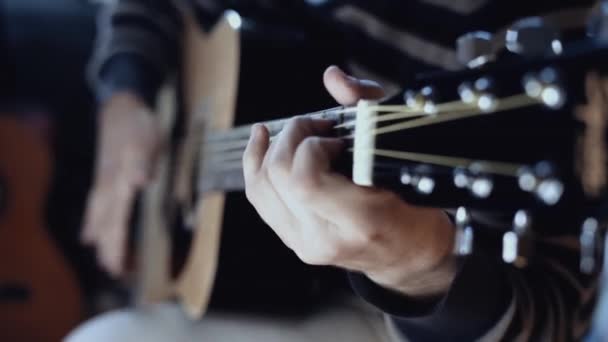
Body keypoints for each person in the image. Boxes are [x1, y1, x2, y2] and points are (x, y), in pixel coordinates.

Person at [74, 0, 599, 341]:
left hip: (374, 312)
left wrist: (418, 268)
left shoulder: (544, 21)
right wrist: (125, 93)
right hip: (211, 244)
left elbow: (555, 317)